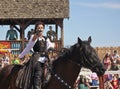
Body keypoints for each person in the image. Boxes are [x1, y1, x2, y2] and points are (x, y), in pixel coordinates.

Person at [18, 21, 55, 89]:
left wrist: (51, 48)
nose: (40, 29)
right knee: (38, 71)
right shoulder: (34, 37)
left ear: (43, 29)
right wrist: (21, 56)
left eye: (41, 28)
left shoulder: (46, 38)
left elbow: (51, 45)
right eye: (38, 28)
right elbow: (28, 48)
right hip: (37, 58)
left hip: (45, 58)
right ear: (36, 29)